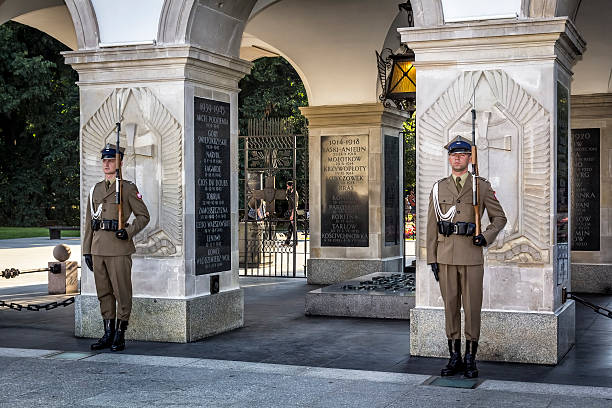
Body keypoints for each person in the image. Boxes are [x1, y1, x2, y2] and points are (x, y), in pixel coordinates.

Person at [426, 135, 507, 378]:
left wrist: (486, 236)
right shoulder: (438, 187)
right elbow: (431, 226)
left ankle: (470, 358)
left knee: (472, 308)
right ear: (449, 158)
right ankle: (455, 357)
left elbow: (499, 218)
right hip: (446, 257)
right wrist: (432, 258)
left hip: (471, 256)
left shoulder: (480, 186)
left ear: (469, 158)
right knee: (451, 307)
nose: (457, 158)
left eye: (461, 155)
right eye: (453, 155)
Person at [83, 143, 150, 352]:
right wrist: (87, 250)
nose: (107, 164)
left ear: (120, 162)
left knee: (122, 291)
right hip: (98, 248)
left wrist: (128, 231)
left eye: (111, 160)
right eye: (104, 160)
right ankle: (108, 332)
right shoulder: (95, 189)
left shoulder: (128, 188)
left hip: (119, 248)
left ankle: (120, 334)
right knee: (103, 292)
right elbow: (88, 223)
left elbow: (143, 216)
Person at [284, 181, 298, 246]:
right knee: (290, 228)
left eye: (287, 186)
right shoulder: (290, 193)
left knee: (293, 227)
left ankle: (295, 242)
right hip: (290, 212)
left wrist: (292, 215)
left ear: (291, 186)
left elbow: (294, 206)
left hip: (293, 212)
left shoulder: (294, 193)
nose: (287, 187)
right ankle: (287, 242)